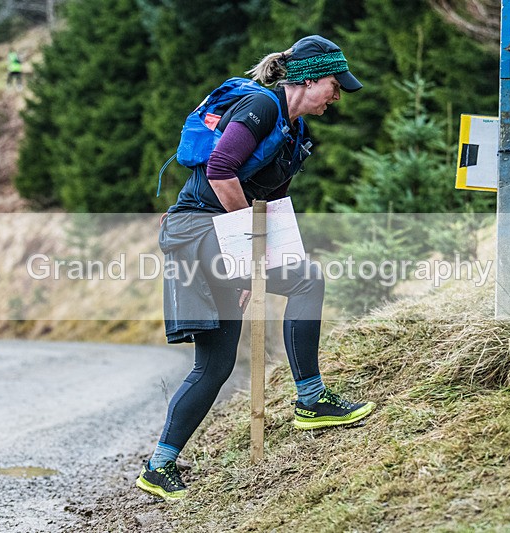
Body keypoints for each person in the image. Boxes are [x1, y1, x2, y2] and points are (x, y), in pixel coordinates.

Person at [136, 35, 375, 501]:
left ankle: (158, 466)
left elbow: (273, 201)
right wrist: (249, 253)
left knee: (216, 365)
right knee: (308, 280)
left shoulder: (294, 131)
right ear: (309, 79)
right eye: (335, 85)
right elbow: (221, 169)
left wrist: (259, 263)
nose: (337, 96)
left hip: (214, 235)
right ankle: (311, 399)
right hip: (200, 232)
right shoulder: (262, 107)